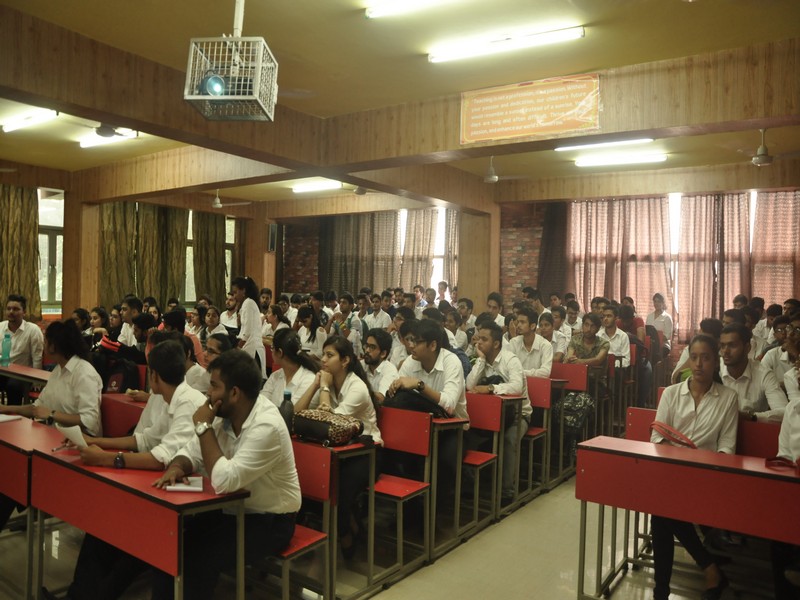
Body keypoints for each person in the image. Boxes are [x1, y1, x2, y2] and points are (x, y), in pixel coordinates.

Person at [66, 339, 209, 600]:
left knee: (132, 538)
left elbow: (160, 458)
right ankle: (78, 595)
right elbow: (144, 440)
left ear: (153, 376)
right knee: (101, 527)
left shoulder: (189, 403)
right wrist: (96, 441)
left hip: (194, 500)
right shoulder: (169, 398)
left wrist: (106, 459)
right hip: (164, 487)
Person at [152, 349, 301, 600]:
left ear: (234, 393)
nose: (208, 394)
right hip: (232, 510)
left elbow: (224, 481)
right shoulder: (225, 414)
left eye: (214, 386)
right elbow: (191, 452)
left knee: (199, 560)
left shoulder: (267, 426)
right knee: (170, 545)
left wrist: (203, 426)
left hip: (270, 519)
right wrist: (177, 467)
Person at [649, 334, 738, 600]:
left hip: (707, 478)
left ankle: (662, 591)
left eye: (706, 358)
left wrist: (705, 466)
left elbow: (727, 447)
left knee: (661, 511)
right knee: (663, 507)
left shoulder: (728, 397)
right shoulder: (671, 393)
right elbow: (657, 437)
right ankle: (709, 569)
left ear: (716, 362)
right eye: (694, 357)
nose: (699, 364)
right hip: (672, 474)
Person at [0, 319, 103, 535]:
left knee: (15, 475)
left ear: (55, 345)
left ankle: (23, 496)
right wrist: (6, 409)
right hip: (53, 437)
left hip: (77, 442)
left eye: (46, 340)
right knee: (11, 469)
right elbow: (38, 407)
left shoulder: (84, 373)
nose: (43, 344)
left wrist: (53, 414)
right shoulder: (58, 370)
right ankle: (21, 495)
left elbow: (90, 420)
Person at [296, 335, 382, 558]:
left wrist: (324, 386)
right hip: (339, 452)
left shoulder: (357, 387)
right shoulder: (328, 381)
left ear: (345, 361)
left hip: (367, 452)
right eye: (323, 355)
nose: (323, 360)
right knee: (310, 482)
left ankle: (346, 535)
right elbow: (296, 414)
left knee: (339, 492)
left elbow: (332, 423)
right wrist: (315, 385)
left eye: (330, 355)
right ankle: (350, 525)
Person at [465, 321, 526, 500]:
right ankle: (470, 484)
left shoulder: (510, 360)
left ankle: (507, 492)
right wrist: (480, 360)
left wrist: (491, 388)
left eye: (484, 339)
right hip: (488, 414)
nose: (479, 343)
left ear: (496, 343)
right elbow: (469, 385)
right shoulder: (482, 360)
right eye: (478, 339)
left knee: (508, 440)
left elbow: (517, 387)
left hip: (517, 414)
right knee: (465, 434)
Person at [719, 323, 788, 423]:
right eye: (722, 346)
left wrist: (750, 416)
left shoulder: (763, 374)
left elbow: (784, 413)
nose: (725, 351)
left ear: (747, 348)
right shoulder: (714, 370)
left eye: (732, 345)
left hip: (750, 429)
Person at [0, 294, 45, 405]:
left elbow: (37, 357)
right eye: (9, 308)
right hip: (2, 370)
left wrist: (36, 382)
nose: (11, 312)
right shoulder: (1, 327)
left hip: (22, 375)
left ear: (24, 312)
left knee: (13, 387)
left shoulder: (33, 330)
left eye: (16, 309)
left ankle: (13, 413)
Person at [262, 328, 319, 408]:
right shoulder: (275, 376)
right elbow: (262, 402)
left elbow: (292, 412)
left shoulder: (308, 380)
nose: (272, 351)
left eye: (272, 348)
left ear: (280, 352)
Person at [232, 276, 267, 380]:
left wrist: (238, 347)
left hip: (252, 349)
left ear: (243, 290)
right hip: (249, 347)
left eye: (235, 292)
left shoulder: (248, 303)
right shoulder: (246, 304)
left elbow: (247, 331)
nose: (234, 296)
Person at [508, 306, 552, 377]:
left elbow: (545, 372)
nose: (518, 325)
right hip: (516, 382)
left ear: (532, 326)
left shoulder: (545, 345)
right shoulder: (513, 342)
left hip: (537, 383)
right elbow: (508, 368)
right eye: (518, 322)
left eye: (522, 322)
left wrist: (521, 372)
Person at [362, 328, 399, 403]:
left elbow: (380, 399)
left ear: (383, 354)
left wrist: (356, 393)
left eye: (372, 347)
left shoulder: (390, 370)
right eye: (366, 346)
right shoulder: (361, 364)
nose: (367, 350)